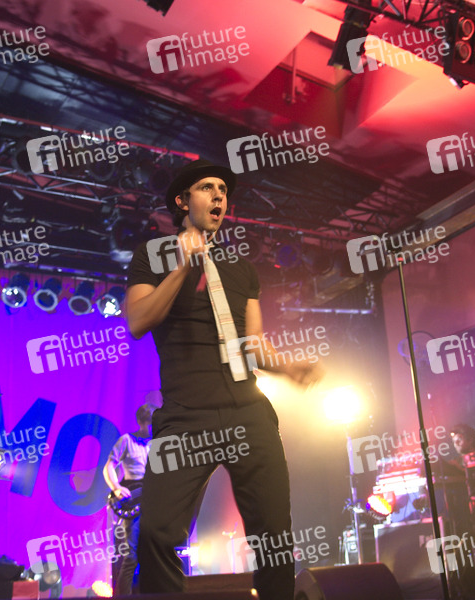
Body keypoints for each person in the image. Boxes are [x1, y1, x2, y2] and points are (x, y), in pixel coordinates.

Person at [125, 159, 323, 600]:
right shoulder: (152, 256)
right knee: (156, 532)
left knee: (274, 537)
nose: (219, 195)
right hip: (185, 416)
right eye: (207, 188)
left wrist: (288, 368)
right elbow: (138, 321)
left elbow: (253, 344)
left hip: (248, 412)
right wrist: (183, 267)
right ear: (183, 201)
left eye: (223, 190)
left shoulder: (241, 269)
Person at [103, 402, 156, 596]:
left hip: (154, 499)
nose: (152, 428)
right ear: (140, 422)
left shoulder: (158, 443)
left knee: (154, 554)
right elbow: (108, 466)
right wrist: (116, 487)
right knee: (131, 556)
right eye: (149, 423)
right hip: (134, 499)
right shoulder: (127, 440)